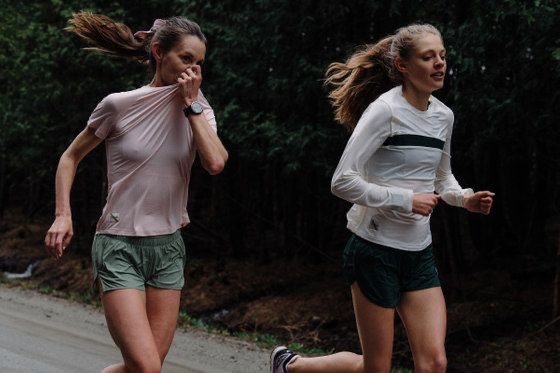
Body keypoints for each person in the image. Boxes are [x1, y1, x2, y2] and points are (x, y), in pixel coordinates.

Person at [271, 24, 494, 373]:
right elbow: (341, 181)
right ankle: (292, 366)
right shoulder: (384, 111)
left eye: (442, 55)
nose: (439, 63)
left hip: (419, 253)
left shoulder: (443, 116)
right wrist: (405, 200)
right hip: (374, 250)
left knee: (434, 363)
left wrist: (464, 198)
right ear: (402, 65)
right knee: (376, 368)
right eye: (428, 56)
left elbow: (441, 176)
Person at [44, 12, 227, 372]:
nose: (193, 70)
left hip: (168, 249)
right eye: (185, 59)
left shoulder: (200, 110)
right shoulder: (118, 104)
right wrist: (63, 214)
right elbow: (70, 157)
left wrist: (192, 106)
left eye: (199, 63)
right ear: (159, 52)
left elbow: (216, 162)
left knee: (145, 368)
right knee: (146, 367)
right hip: (119, 245)